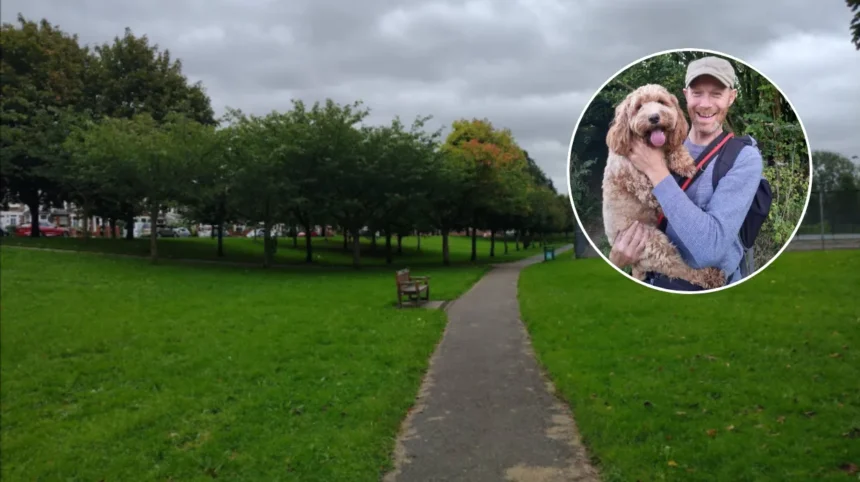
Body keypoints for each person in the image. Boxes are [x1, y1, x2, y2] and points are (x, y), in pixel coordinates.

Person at [610, 56, 764, 290]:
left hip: (707, 289)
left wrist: (655, 170)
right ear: (685, 95)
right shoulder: (650, 143)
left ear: (731, 97)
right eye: (697, 93)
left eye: (716, 94)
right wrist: (617, 260)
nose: (705, 104)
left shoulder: (743, 158)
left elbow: (708, 250)